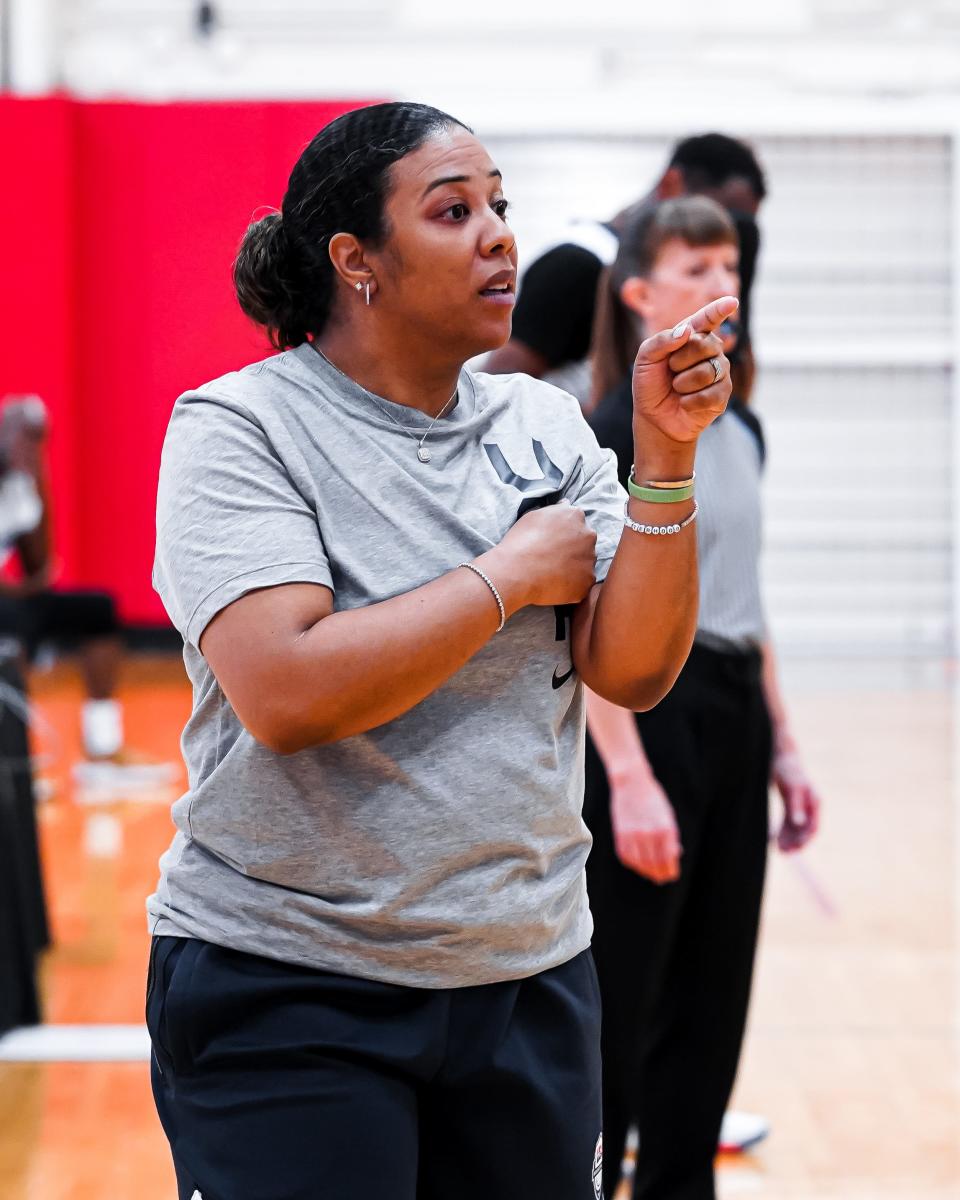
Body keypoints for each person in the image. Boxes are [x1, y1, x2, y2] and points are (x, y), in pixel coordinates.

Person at [146, 101, 736, 1200]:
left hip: (528, 972)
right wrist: (507, 576)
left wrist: (664, 458)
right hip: (290, 985)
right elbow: (286, 690)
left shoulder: (545, 426)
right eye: (454, 210)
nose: (500, 234)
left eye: (501, 206)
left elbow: (635, 671)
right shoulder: (241, 427)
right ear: (355, 260)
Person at [584, 196, 822, 1200]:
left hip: (731, 705)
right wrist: (628, 777)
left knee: (714, 991)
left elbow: (747, 600)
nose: (721, 285)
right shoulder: (602, 427)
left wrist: (785, 747)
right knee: (627, 991)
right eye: (695, 267)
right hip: (647, 711)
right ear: (640, 292)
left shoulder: (745, 424)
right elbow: (589, 623)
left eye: (730, 266)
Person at [484, 132, 766, 408]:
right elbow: (499, 393)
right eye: (711, 220)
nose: (724, 236)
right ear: (672, 185)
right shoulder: (575, 264)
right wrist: (600, 431)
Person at [0, 397, 171, 780]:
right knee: (13, 622)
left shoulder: (20, 489)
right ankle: (11, 763)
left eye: (38, 440)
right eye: (23, 436)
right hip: (6, 606)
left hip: (11, 601)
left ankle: (102, 751)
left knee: (98, 610)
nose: (29, 446)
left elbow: (40, 569)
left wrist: (39, 475)